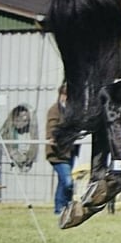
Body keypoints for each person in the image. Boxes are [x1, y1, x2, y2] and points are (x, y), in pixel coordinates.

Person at [46, 83, 78, 214]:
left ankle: (62, 208)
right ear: (62, 95)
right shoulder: (55, 110)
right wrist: (53, 137)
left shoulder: (71, 111)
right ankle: (61, 208)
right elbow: (52, 126)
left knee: (62, 182)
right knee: (68, 182)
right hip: (57, 153)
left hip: (69, 152)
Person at [0, 103, 38, 172]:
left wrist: (29, 158)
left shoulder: (31, 129)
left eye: (26, 121)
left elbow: (34, 144)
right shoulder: (8, 132)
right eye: (18, 120)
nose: (24, 123)